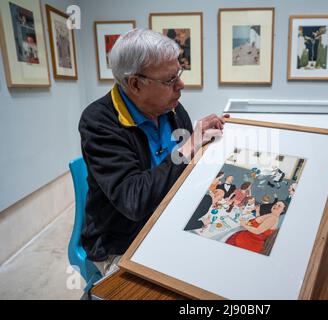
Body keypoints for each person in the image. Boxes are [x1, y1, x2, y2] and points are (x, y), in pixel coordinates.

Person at [79, 29, 225, 276]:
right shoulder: (99, 122)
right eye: (169, 80)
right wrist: (188, 147)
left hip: (167, 223)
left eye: (178, 74)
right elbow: (134, 200)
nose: (180, 85)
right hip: (121, 242)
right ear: (135, 84)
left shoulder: (173, 110)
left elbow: (185, 173)